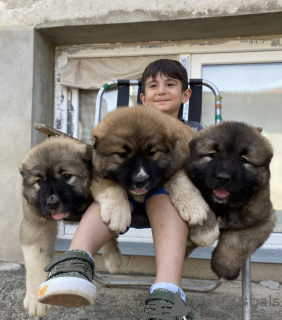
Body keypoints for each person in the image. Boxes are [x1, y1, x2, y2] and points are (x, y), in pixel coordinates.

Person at [37, 59, 199, 320]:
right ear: (143, 98)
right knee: (106, 199)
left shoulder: (195, 132)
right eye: (153, 86)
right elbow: (101, 165)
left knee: (166, 198)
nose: (161, 90)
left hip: (164, 202)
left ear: (185, 94)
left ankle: (167, 293)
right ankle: (73, 266)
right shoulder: (120, 126)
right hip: (122, 194)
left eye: (170, 84)